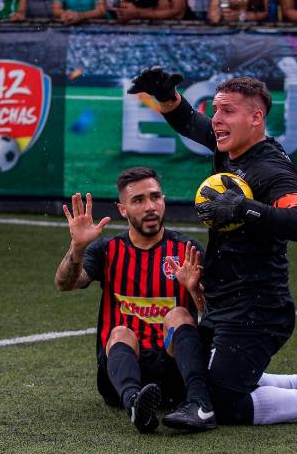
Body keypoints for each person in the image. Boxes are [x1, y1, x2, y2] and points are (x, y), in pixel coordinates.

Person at [126, 69, 297, 425]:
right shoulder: (230, 146)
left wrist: (245, 207)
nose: (216, 119)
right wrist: (166, 95)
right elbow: (190, 122)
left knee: (222, 404)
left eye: (227, 111)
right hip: (225, 301)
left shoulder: (272, 167)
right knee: (189, 381)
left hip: (258, 310)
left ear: (256, 117)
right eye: (215, 110)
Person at [54, 167, 216, 433]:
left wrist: (196, 290)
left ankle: (200, 403)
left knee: (178, 315)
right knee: (120, 332)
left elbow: (212, 318)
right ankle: (134, 405)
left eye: (155, 197)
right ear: (123, 209)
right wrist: (78, 248)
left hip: (175, 372)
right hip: (119, 373)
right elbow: (65, 283)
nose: (150, 206)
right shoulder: (107, 250)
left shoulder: (186, 250)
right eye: (138, 200)